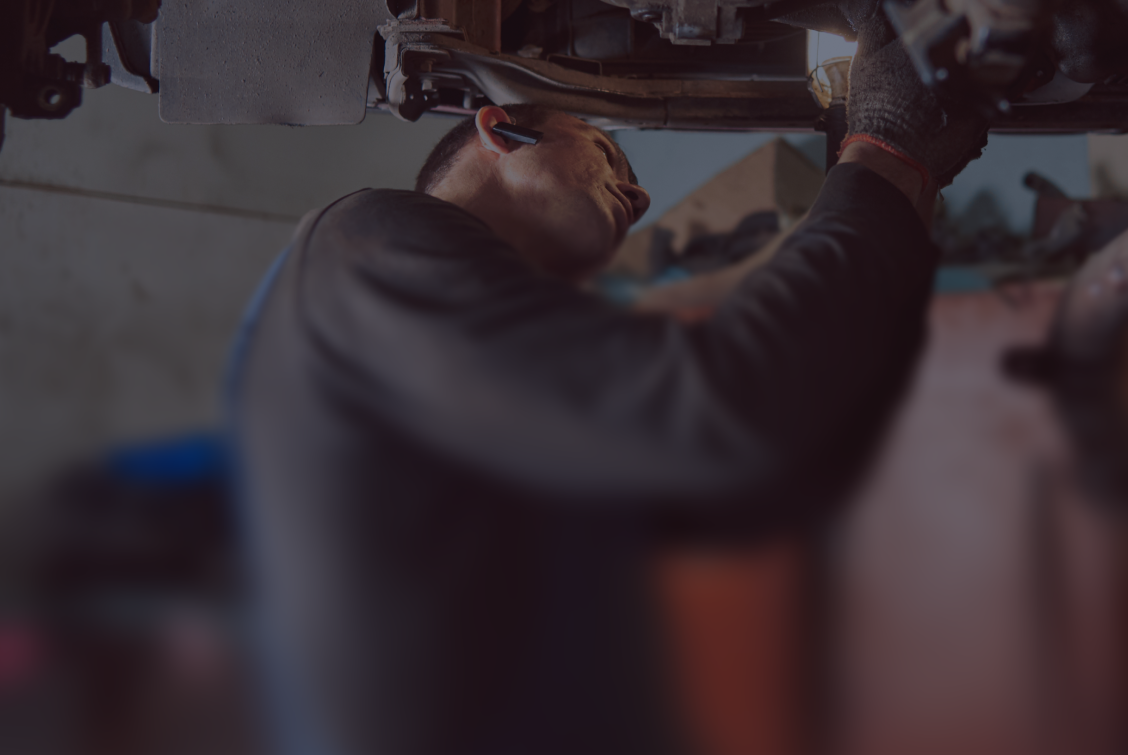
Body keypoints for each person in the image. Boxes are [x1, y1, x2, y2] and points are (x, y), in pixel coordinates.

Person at [230, 22, 988, 754]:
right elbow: (719, 417)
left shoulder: (495, 390)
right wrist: (886, 151)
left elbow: (778, 465)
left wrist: (901, 189)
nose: (642, 197)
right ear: (498, 130)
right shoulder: (366, 238)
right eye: (605, 151)